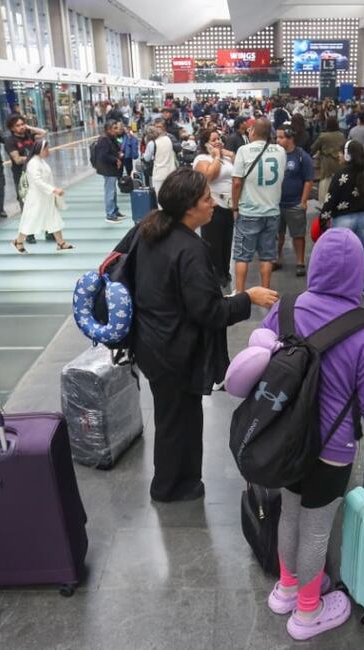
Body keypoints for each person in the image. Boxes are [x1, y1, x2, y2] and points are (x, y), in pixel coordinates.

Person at [261, 228, 364, 640]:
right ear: (358, 271)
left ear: (317, 262)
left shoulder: (284, 309)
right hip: (332, 448)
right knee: (317, 528)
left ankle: (286, 589)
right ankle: (307, 612)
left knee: (289, 512)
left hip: (285, 439)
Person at [130, 168, 277, 502]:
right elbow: (209, 311)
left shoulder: (150, 229)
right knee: (177, 420)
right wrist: (248, 298)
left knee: (175, 416)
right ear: (188, 207)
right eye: (207, 199)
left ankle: (183, 480)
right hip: (174, 350)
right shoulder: (190, 250)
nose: (214, 204)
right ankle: (169, 487)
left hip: (152, 341)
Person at [231, 118, 287, 293]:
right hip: (272, 210)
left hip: (249, 211)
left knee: (242, 256)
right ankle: (266, 293)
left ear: (253, 131)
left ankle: (240, 294)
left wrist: (235, 207)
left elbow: (236, 182)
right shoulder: (280, 151)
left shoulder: (243, 151)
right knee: (267, 256)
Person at [321, 141, 364, 296]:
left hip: (343, 219)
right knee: (362, 253)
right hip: (362, 218)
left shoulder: (341, 175)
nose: (339, 156)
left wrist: (323, 218)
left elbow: (330, 199)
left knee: (339, 254)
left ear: (347, 155)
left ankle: (340, 288)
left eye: (341, 152)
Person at [13, 140, 73, 253]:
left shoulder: (41, 161)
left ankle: (61, 243)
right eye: (46, 149)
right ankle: (18, 242)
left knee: (53, 218)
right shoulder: (33, 163)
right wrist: (54, 190)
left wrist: (52, 191)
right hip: (36, 199)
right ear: (39, 150)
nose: (48, 151)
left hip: (46, 197)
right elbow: (37, 181)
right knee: (30, 220)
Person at [193, 128, 236, 284]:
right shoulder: (202, 158)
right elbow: (209, 176)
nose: (218, 141)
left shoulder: (226, 157)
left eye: (219, 138)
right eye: (213, 140)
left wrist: (227, 154)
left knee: (227, 241)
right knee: (213, 243)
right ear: (206, 144)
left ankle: (225, 271)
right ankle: (215, 275)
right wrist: (216, 157)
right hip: (213, 206)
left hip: (229, 206)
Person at [275, 123, 314, 277]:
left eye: (281, 137)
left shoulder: (301, 156)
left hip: (294, 203)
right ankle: (276, 259)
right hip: (276, 203)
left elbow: (308, 180)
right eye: (277, 137)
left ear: (290, 138)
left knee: (298, 235)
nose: (277, 140)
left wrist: (303, 201)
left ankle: (300, 262)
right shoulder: (275, 155)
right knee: (277, 234)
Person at [4, 114, 46, 238]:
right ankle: (29, 233)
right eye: (18, 125)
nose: (21, 127)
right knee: (27, 205)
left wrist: (29, 127)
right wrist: (33, 156)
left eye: (22, 124)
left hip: (37, 174)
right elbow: (17, 160)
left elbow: (43, 132)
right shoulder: (10, 141)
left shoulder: (29, 135)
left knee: (43, 202)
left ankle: (49, 231)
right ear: (12, 128)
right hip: (22, 176)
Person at [94, 120, 126, 224]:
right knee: (110, 192)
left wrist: (118, 154)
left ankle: (115, 211)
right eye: (115, 128)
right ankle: (110, 215)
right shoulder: (104, 140)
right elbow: (103, 155)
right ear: (108, 130)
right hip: (108, 169)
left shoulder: (111, 138)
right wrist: (115, 159)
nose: (117, 130)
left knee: (113, 191)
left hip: (111, 169)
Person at [309, 117, 345, 203]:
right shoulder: (341, 135)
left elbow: (313, 149)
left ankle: (324, 204)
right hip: (339, 163)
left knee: (325, 187)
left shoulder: (323, 136)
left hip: (327, 165)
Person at [146, 119, 178, 190]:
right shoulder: (168, 138)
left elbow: (146, 158)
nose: (158, 129)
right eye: (156, 127)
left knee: (159, 195)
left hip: (159, 174)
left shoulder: (152, 143)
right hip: (171, 173)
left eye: (159, 127)